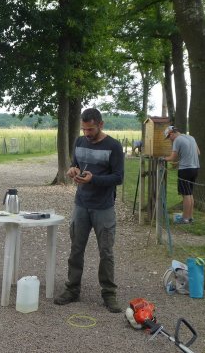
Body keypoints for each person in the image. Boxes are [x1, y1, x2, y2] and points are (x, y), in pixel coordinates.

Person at [54, 108, 125, 313]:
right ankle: (72, 289)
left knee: (106, 251)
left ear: (101, 125)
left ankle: (109, 294)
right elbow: (76, 164)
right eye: (84, 129)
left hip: (104, 207)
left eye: (90, 129)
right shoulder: (79, 141)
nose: (86, 133)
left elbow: (118, 178)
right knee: (76, 249)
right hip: (81, 204)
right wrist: (73, 170)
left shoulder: (113, 146)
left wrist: (95, 179)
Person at [163, 125, 200, 224]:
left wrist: (163, 158)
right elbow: (198, 152)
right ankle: (190, 217)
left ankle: (185, 219)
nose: (169, 139)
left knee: (186, 195)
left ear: (171, 133)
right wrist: (181, 161)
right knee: (190, 194)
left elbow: (172, 157)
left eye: (168, 137)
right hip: (195, 168)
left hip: (185, 170)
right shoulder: (191, 137)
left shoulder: (177, 140)